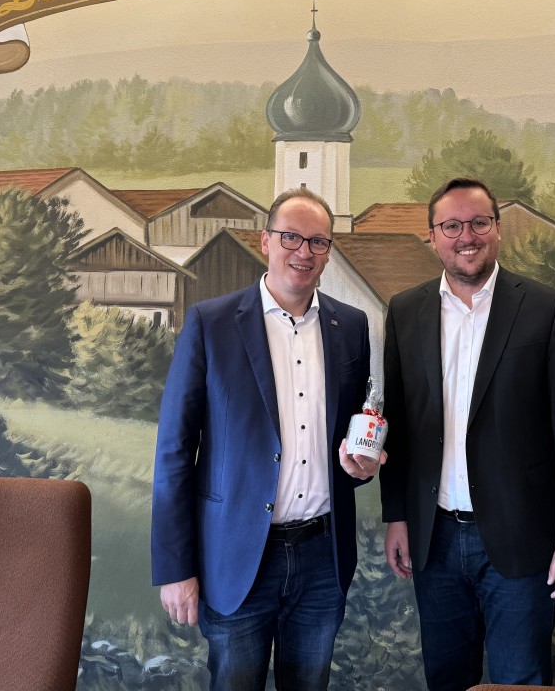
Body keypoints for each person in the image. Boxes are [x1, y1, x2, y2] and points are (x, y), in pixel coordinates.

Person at [151, 187, 383, 691]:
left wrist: (360, 467)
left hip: (322, 558)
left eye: (318, 241)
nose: (304, 252)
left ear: (328, 250)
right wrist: (174, 567)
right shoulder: (210, 323)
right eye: (291, 237)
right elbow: (174, 451)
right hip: (235, 557)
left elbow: (348, 443)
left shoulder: (351, 326)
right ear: (265, 241)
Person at [379, 177, 555, 690]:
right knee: (447, 679)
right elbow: (401, 428)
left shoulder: (545, 307)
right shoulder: (405, 311)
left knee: (520, 681)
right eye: (451, 226)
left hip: (522, 539)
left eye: (479, 222)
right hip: (434, 539)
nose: (466, 236)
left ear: (497, 229)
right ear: (433, 236)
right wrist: (397, 516)